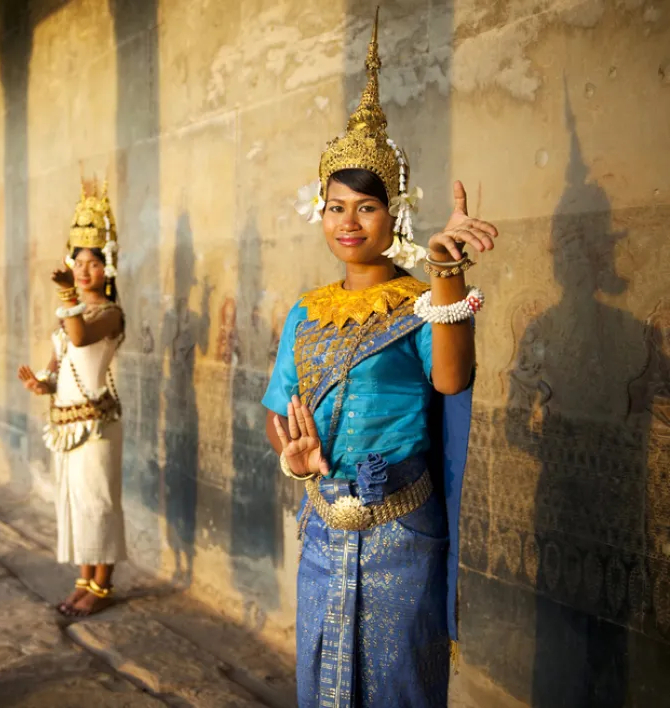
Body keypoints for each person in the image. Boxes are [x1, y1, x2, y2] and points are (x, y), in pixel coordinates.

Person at [262, 12, 498, 707]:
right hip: (323, 523)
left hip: (402, 525)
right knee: (323, 675)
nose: (348, 222)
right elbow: (283, 410)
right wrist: (295, 460)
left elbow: (453, 380)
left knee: (398, 683)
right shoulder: (306, 311)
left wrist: (446, 274)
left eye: (367, 208)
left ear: (396, 215)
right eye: (336, 206)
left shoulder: (422, 298)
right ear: (320, 210)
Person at [18, 180, 127, 617]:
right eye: (78, 262)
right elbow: (59, 361)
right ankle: (83, 579)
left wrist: (67, 297)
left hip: (98, 426)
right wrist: (42, 385)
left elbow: (80, 338)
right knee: (76, 503)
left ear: (109, 269)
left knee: (99, 502)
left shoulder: (108, 314)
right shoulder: (71, 315)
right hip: (66, 425)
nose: (84, 272)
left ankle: (104, 584)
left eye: (93, 264)